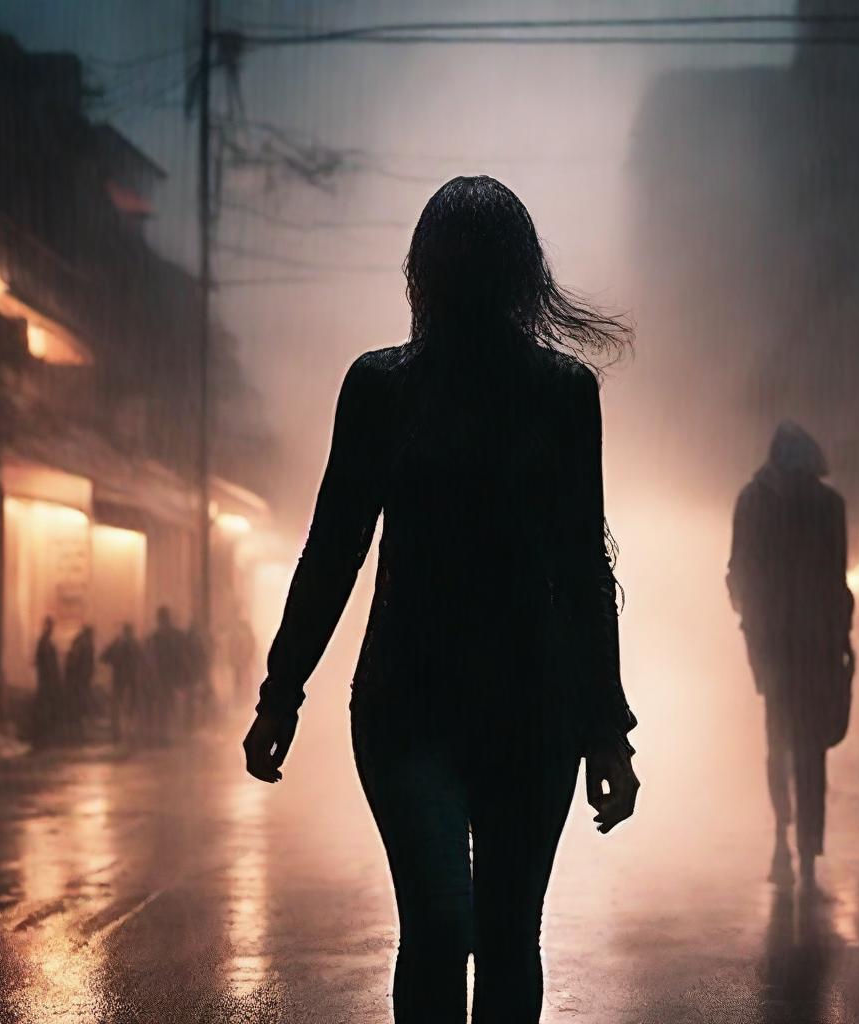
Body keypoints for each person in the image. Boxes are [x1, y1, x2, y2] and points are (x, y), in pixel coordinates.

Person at [243, 175, 640, 1023]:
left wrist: (284, 693)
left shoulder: (417, 388)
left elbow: (335, 555)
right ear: (525, 277)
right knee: (473, 931)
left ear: (420, 273)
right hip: (478, 707)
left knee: (467, 931)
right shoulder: (525, 393)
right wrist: (605, 728)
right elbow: (579, 573)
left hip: (439, 702)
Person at [727, 422, 854, 891]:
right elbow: (837, 581)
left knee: (779, 743)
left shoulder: (753, 500)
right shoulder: (829, 505)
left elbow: (738, 572)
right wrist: (841, 641)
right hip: (815, 646)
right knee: (810, 751)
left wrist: (753, 626)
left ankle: (786, 838)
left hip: (775, 647)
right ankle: (805, 850)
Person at [146, 606, 188, 742]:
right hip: (169, 677)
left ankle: (166, 735)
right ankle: (169, 735)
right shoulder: (175, 636)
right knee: (169, 706)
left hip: (164, 677)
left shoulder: (156, 637)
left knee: (165, 707)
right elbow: (181, 658)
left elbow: (152, 659)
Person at [101, 623, 143, 742]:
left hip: (119, 680)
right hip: (131, 680)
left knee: (118, 706)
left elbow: (103, 657)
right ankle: (129, 731)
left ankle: (117, 732)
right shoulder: (135, 644)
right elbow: (142, 659)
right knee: (130, 706)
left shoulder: (117, 644)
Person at [63, 625, 95, 743]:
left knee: (79, 707)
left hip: (80, 680)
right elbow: (75, 663)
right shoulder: (84, 645)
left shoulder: (83, 644)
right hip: (79, 681)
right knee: (78, 707)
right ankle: (77, 735)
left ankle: (78, 734)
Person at [34, 616, 61, 745]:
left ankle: (45, 732)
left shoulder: (46, 642)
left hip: (47, 679)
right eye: (49, 626)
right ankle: (44, 733)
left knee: (47, 705)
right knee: (46, 705)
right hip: (46, 680)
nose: (51, 629)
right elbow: (46, 663)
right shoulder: (45, 643)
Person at [228, 615, 256, 711]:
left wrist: (249, 656)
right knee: (239, 680)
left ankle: (245, 698)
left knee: (244, 679)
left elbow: (251, 645)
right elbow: (232, 647)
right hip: (239, 661)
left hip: (243, 660)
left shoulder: (246, 633)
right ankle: (241, 699)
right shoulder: (237, 633)